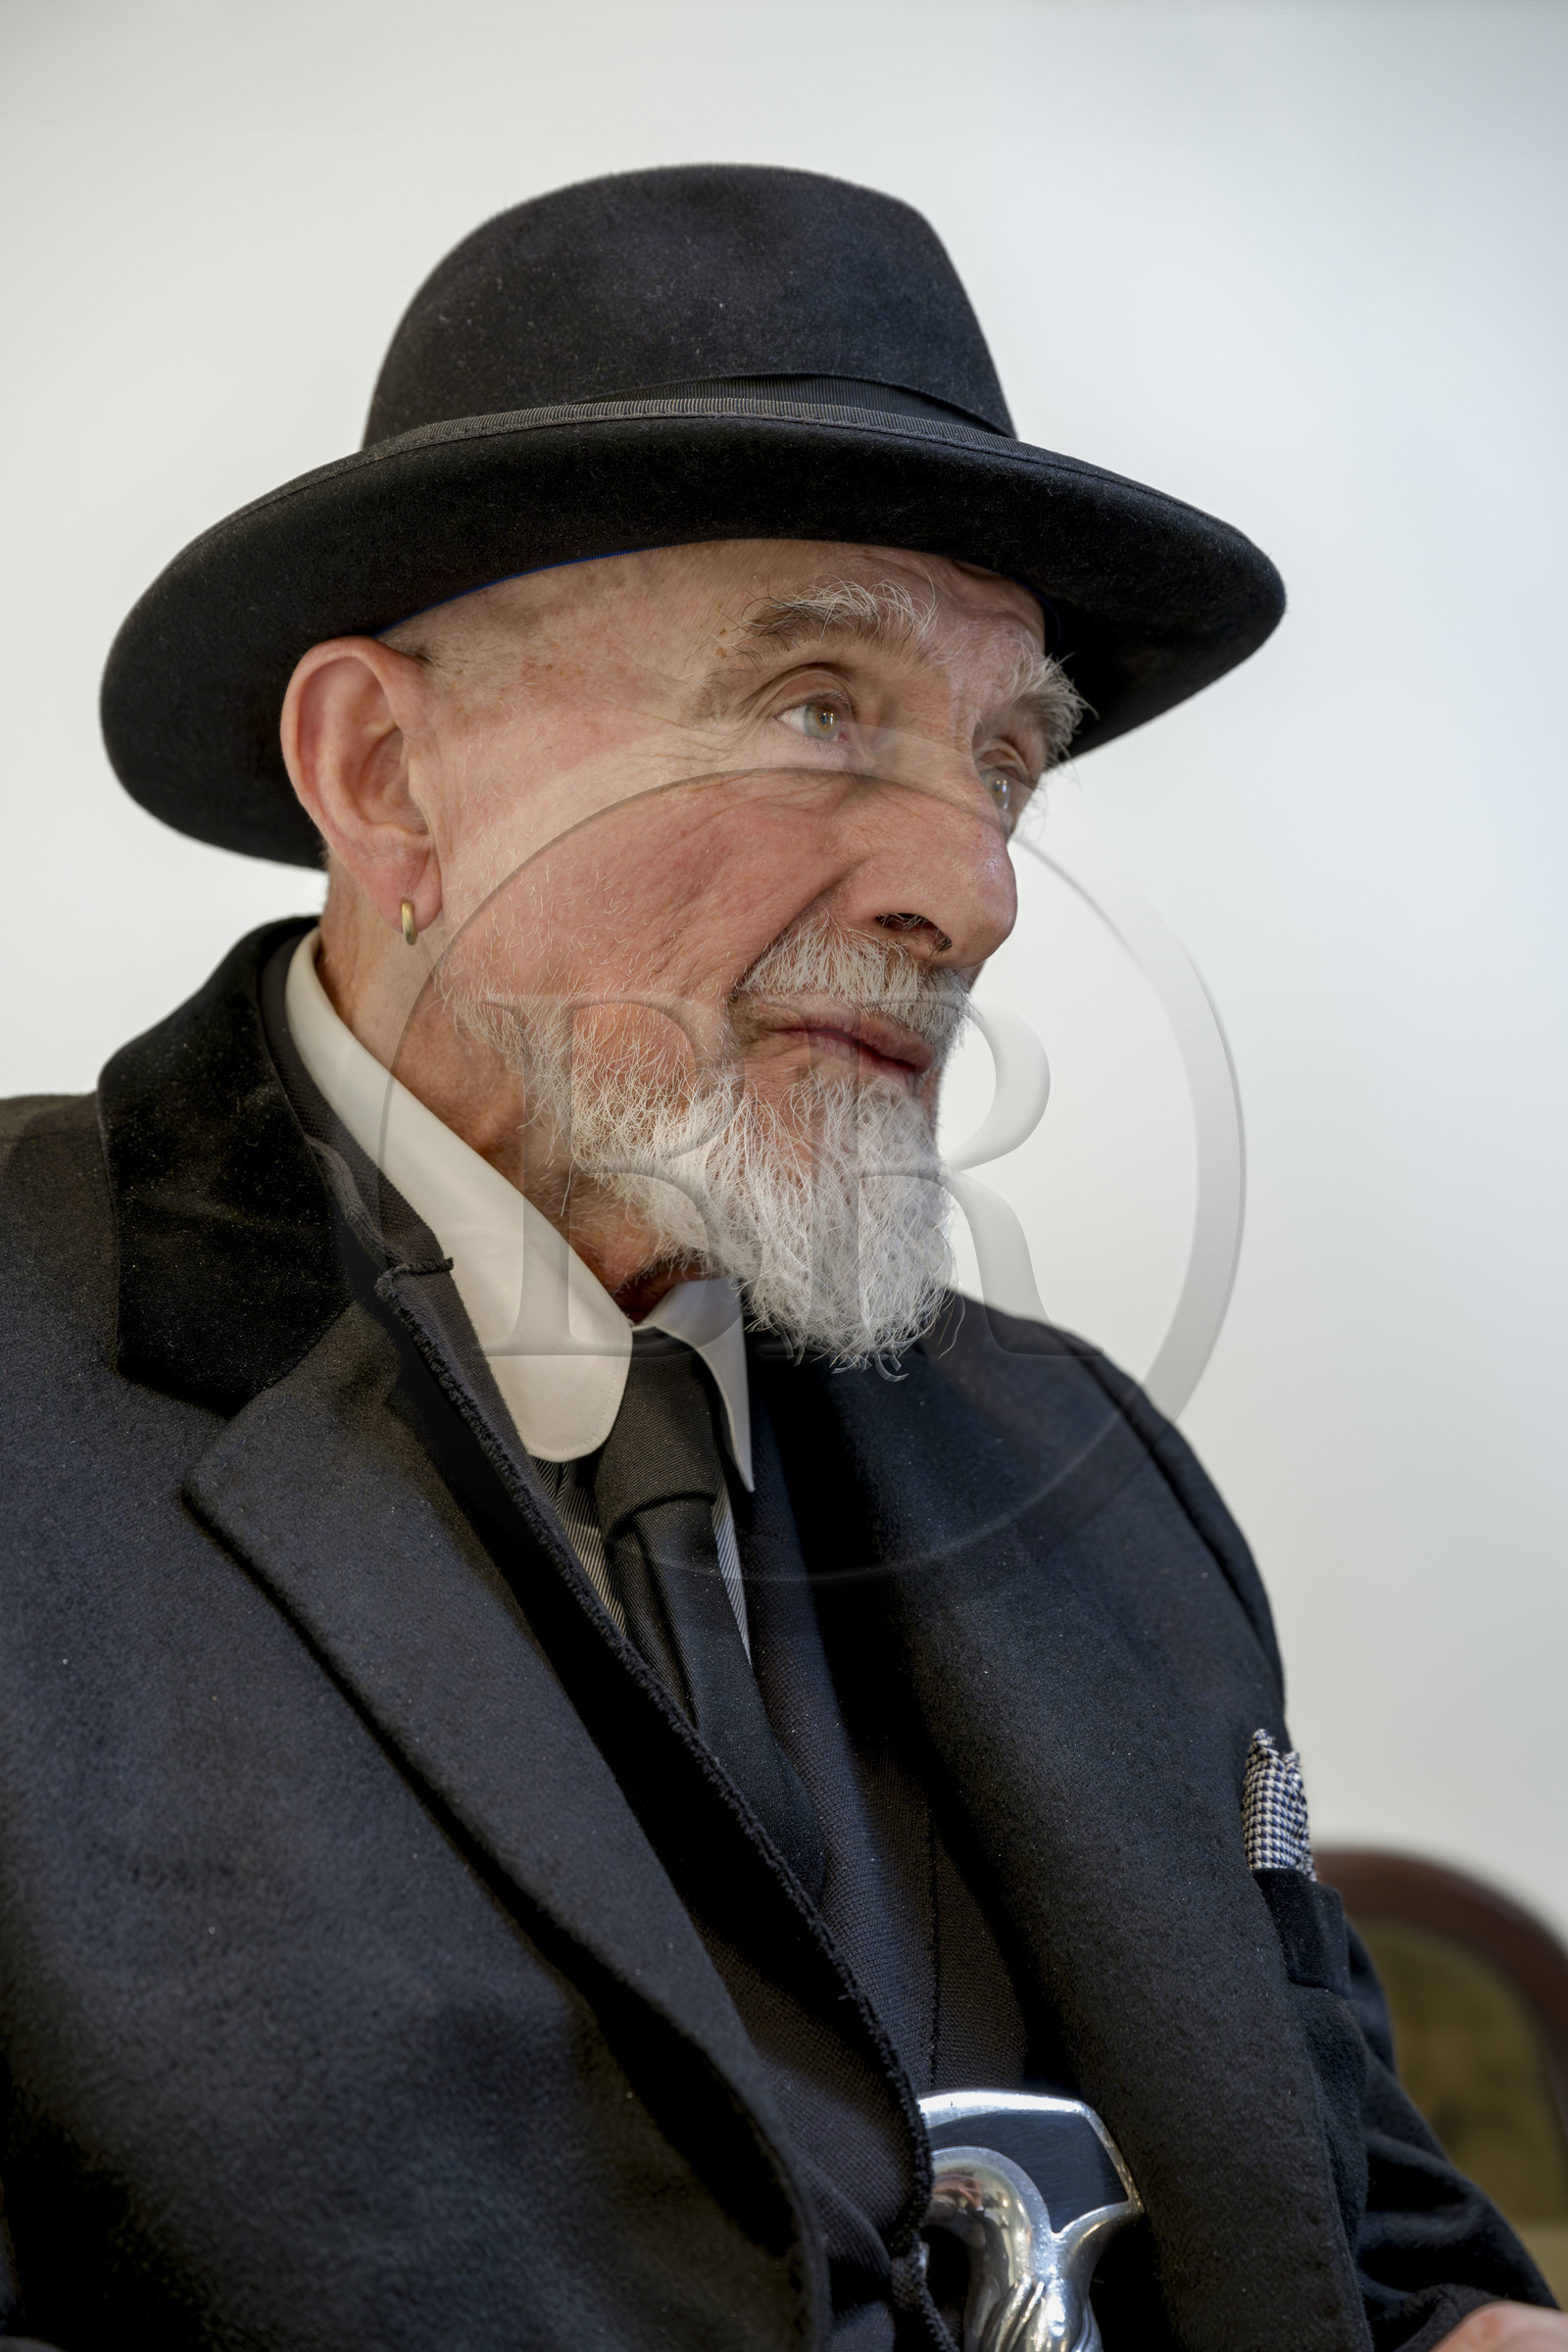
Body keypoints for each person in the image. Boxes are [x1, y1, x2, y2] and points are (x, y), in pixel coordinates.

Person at [0, 165, 1559, 2352]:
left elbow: (1361, 2260)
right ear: (387, 777)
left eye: (1006, 756)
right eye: (815, 703)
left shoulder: (1094, 1479)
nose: (971, 889)